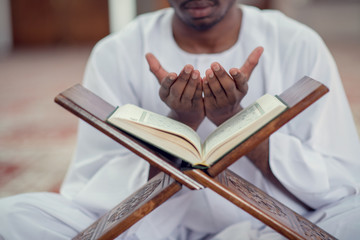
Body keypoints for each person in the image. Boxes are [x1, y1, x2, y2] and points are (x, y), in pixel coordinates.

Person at [1, 1, 360, 239]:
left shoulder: (297, 43)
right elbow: (91, 183)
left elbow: (340, 175)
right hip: (147, 230)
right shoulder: (118, 50)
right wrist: (179, 124)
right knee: (13, 216)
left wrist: (234, 121)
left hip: (265, 228)